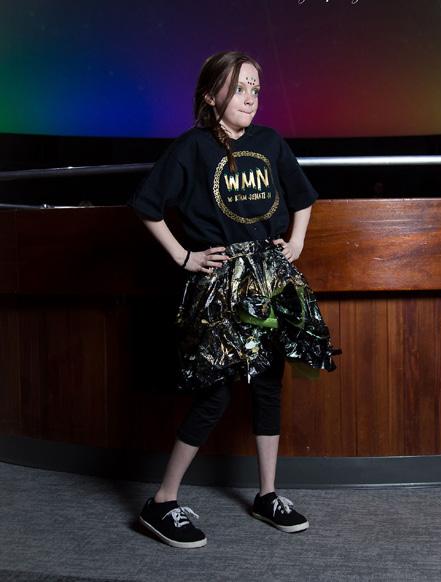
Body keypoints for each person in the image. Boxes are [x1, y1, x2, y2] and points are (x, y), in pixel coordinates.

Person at [127, 50, 341, 549]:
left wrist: (297, 241)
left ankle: (268, 495)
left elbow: (303, 198)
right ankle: (161, 501)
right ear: (211, 96)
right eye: (239, 87)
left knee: (268, 384)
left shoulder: (269, 142)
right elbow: (145, 204)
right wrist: (183, 256)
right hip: (221, 288)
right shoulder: (192, 147)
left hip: (270, 283)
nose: (250, 97)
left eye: (255, 89)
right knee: (217, 392)